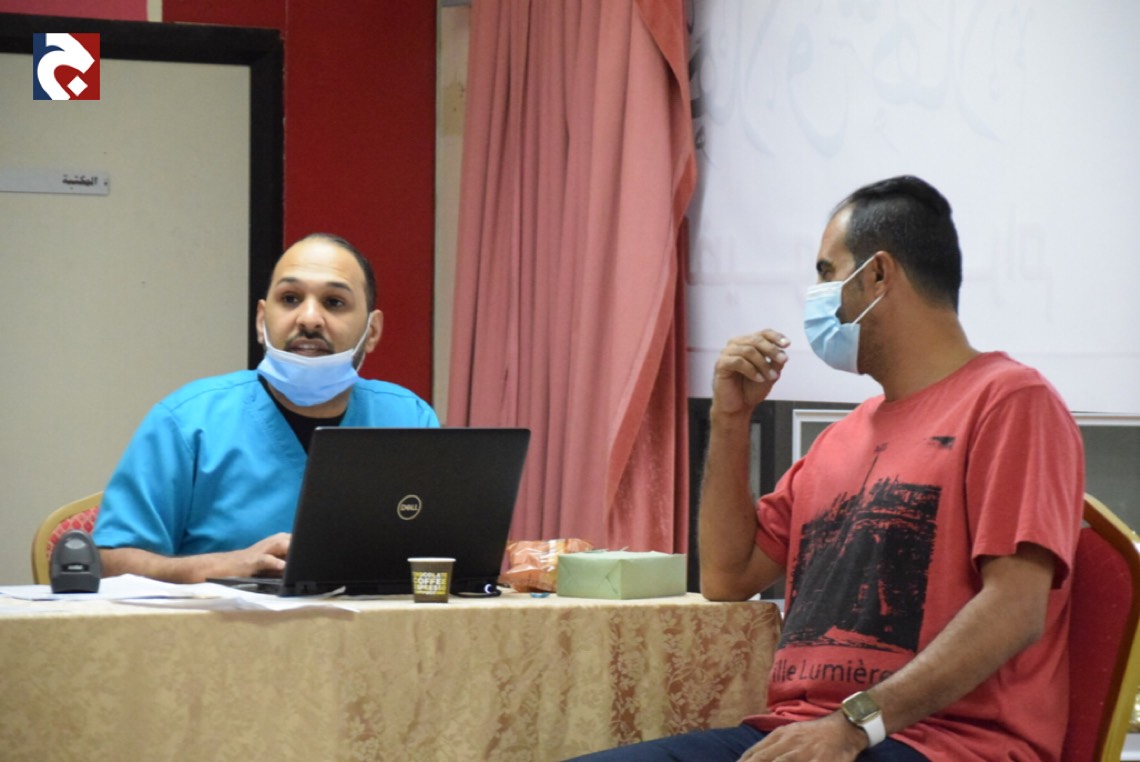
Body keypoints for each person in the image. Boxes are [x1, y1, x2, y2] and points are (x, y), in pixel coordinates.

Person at [570, 176, 1084, 761]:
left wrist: (853, 725)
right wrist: (731, 420)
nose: (815, 294)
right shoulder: (840, 439)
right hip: (804, 733)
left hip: (946, 745)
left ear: (878, 275)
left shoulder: (1012, 401)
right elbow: (726, 576)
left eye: (826, 271)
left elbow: (1016, 609)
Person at [93, 232, 439, 583]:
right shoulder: (187, 422)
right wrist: (215, 568)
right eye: (290, 299)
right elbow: (108, 562)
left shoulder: (410, 420)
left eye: (334, 302)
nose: (309, 319)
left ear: (372, 331)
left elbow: (445, 553)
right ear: (261, 321)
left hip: (373, 619)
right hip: (220, 619)